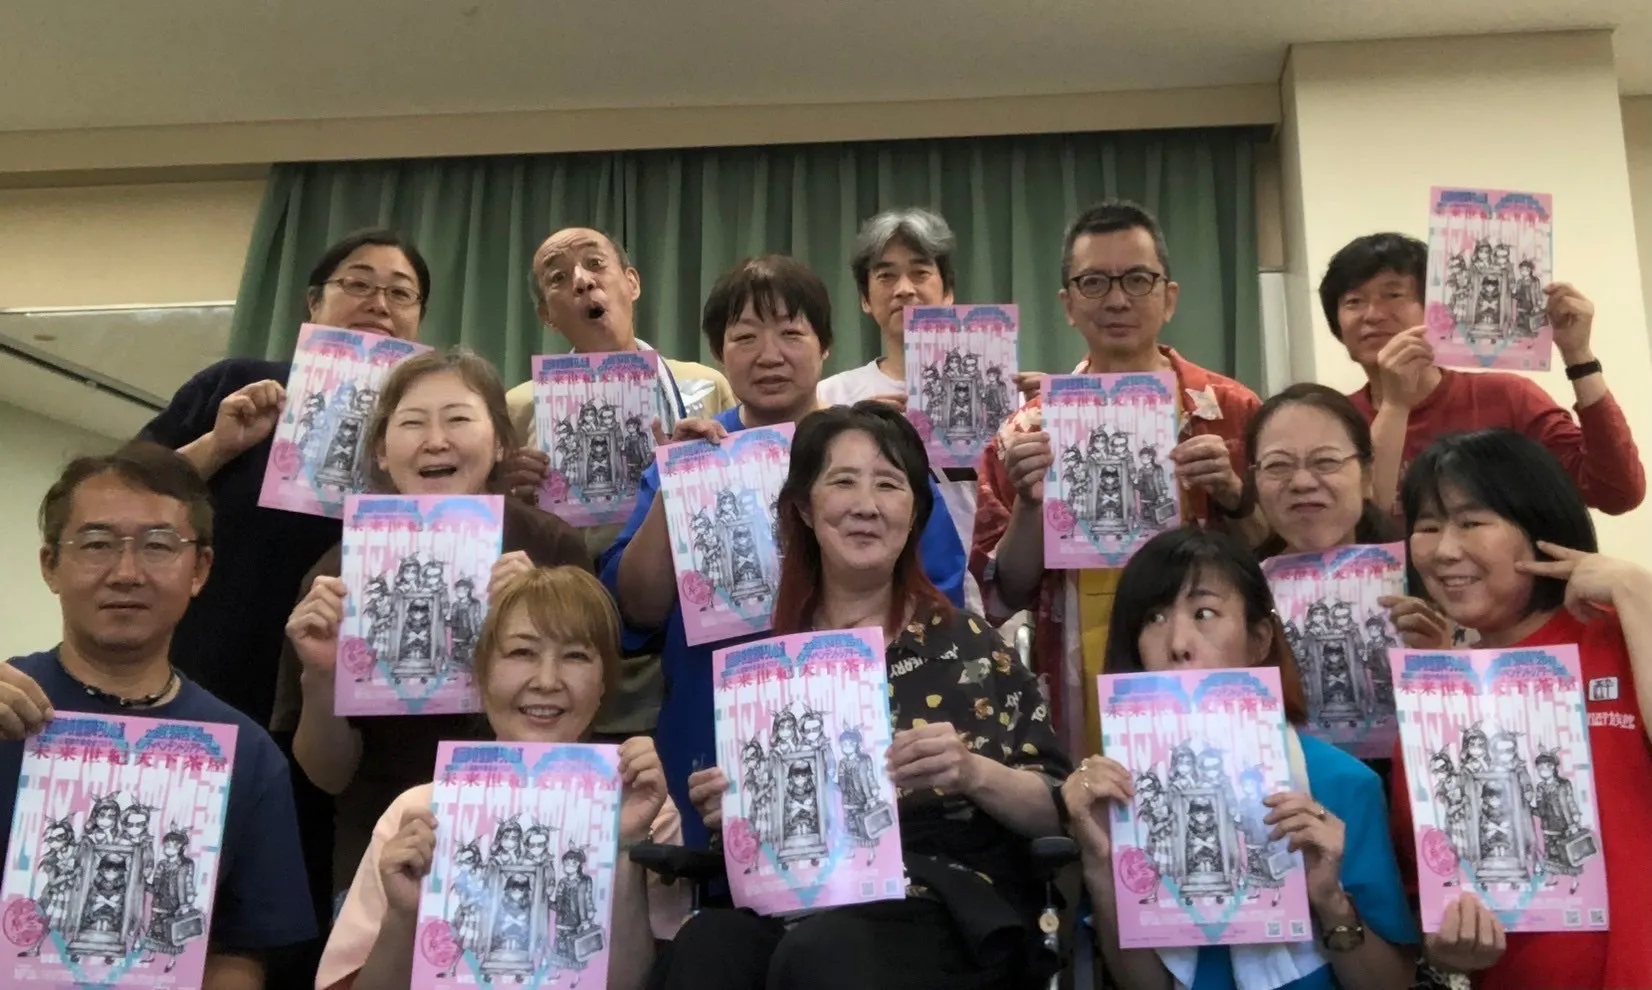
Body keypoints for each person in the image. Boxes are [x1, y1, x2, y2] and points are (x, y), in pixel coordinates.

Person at [655, 403, 1070, 989]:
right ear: (804, 508)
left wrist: (974, 773)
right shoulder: (767, 670)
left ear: (914, 512)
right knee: (708, 948)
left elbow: (1057, 806)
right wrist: (738, 809)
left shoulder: (970, 645)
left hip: (939, 899)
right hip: (798, 901)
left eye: (889, 485)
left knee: (825, 954)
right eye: (843, 482)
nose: (866, 505)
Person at [602, 255, 969, 848]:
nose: (769, 355)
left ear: (825, 346)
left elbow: (937, 600)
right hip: (710, 734)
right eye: (745, 337)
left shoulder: (877, 454)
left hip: (863, 732)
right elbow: (636, 610)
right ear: (719, 352)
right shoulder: (692, 458)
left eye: (791, 333)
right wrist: (677, 486)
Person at [271, 348, 590, 904]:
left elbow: (591, 723)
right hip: (381, 855)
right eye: (413, 423)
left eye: (458, 419)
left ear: (500, 442)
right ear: (381, 450)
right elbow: (328, 775)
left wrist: (541, 618)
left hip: (531, 843)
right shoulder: (338, 573)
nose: (436, 440)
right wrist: (320, 676)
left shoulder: (552, 548)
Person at [0, 444, 318, 987]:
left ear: (200, 569)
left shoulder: (248, 754)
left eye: (158, 546)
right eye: (97, 544)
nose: (126, 573)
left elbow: (240, 952)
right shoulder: (7, 703)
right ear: (51, 565)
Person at [1063, 527, 1419, 990]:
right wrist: (1098, 863)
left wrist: (1330, 902)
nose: (1178, 643)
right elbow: (1144, 986)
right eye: (1153, 617)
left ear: (1258, 640)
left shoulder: (1342, 782)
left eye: (1204, 613)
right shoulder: (1122, 791)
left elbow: (1392, 984)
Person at [973, 200, 1262, 758]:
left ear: (1169, 297)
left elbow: (1277, 561)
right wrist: (1031, 507)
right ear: (1067, 304)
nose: (1117, 299)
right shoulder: (1026, 430)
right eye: (1094, 282)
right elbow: (1005, 591)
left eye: (1137, 279)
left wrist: (1233, 496)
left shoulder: (1231, 412)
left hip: (1216, 676)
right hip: (1079, 678)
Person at [316, 566, 687, 990]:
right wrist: (404, 917)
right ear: (481, 674)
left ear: (604, 682)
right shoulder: (416, 813)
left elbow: (643, 982)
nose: (546, 681)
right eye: (522, 652)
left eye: (575, 656)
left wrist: (624, 848)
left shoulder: (646, 810)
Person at [1386, 429, 1652, 989]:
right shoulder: (1433, 702)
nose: (1444, 550)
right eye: (1427, 526)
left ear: (1539, 527)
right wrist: (1450, 949)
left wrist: (1636, 590)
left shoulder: (1622, 634)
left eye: (1471, 522)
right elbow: (1429, 885)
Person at [138, 228, 431, 728]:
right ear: (313, 304)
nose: (379, 304)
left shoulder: (431, 423)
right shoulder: (240, 384)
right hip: (211, 669)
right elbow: (122, 495)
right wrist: (219, 445)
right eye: (358, 284)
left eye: (400, 293)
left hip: (352, 700)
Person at [500, 226, 736, 739]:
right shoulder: (520, 405)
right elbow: (500, 532)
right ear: (545, 314)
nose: (582, 281)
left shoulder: (704, 385)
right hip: (569, 637)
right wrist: (511, 497)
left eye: (595, 264)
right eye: (558, 278)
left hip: (683, 633)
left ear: (632, 282)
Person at [1316, 232, 1643, 517]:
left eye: (1393, 295)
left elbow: (1616, 492)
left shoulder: (1508, 398)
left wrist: (1578, 355)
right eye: (1354, 302)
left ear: (1437, 307)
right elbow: (1349, 527)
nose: (1372, 315)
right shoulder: (1332, 421)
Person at [820, 207, 986, 614]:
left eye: (920, 272)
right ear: (865, 298)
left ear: (948, 291)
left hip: (988, 605)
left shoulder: (998, 394)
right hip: (869, 610)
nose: (904, 289)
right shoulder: (832, 398)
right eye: (886, 276)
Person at [1246, 383, 1451, 648]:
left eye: (1325, 462)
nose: (1302, 482)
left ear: (1366, 476)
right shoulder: (1239, 593)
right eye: (1277, 465)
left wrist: (1441, 657)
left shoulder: (1431, 577)